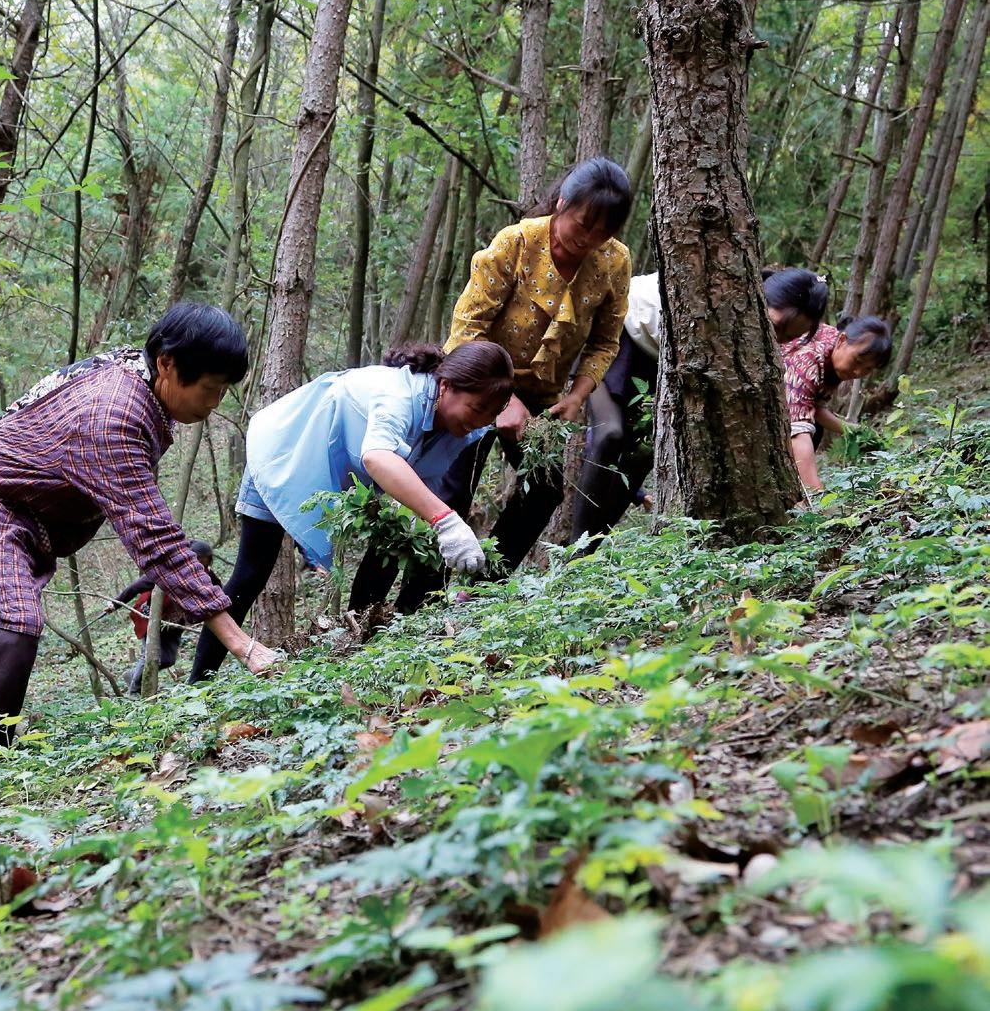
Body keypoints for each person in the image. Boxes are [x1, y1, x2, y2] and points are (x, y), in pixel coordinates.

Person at [0, 302, 278, 766]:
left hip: (32, 514)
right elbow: (157, 540)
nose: (213, 405)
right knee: (13, 627)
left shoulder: (142, 380)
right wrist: (243, 645)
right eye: (209, 389)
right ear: (167, 363)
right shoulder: (113, 415)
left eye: (223, 391)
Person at [388, 157, 631, 607]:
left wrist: (578, 396)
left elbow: (604, 342)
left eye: (602, 232)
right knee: (450, 491)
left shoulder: (614, 262)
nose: (588, 239)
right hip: (477, 385)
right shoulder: (516, 244)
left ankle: (481, 590)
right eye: (581, 224)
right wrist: (503, 403)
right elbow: (466, 330)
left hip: (544, 395)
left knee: (543, 489)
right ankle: (413, 606)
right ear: (562, 204)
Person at [190, 341, 513, 679]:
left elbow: (417, 485)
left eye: (489, 416)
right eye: (475, 408)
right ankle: (197, 682)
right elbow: (377, 455)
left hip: (336, 476)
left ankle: (360, 652)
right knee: (251, 574)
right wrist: (446, 520)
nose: (480, 421)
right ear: (446, 386)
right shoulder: (398, 396)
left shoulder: (458, 429)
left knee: (394, 541)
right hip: (286, 454)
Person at [571, 267, 832, 541]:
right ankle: (576, 550)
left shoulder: (752, 343)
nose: (776, 339)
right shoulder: (719, 291)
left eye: (789, 337)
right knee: (609, 435)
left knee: (643, 454)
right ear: (758, 298)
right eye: (776, 326)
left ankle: (590, 548)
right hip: (613, 334)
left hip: (654, 364)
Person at [784, 314, 891, 492]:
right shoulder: (809, 357)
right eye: (857, 361)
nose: (858, 372)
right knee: (809, 432)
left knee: (815, 430)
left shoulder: (835, 357)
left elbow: (813, 408)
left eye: (867, 369)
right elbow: (797, 430)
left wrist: (853, 430)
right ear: (842, 340)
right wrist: (816, 494)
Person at [116, 539, 217, 693]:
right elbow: (135, 587)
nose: (200, 566)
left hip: (174, 624)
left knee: (168, 660)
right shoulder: (168, 571)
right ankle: (135, 691)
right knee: (151, 656)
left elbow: (219, 591)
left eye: (204, 562)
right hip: (151, 617)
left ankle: (133, 676)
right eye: (198, 561)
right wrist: (115, 604)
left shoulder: (207, 576)